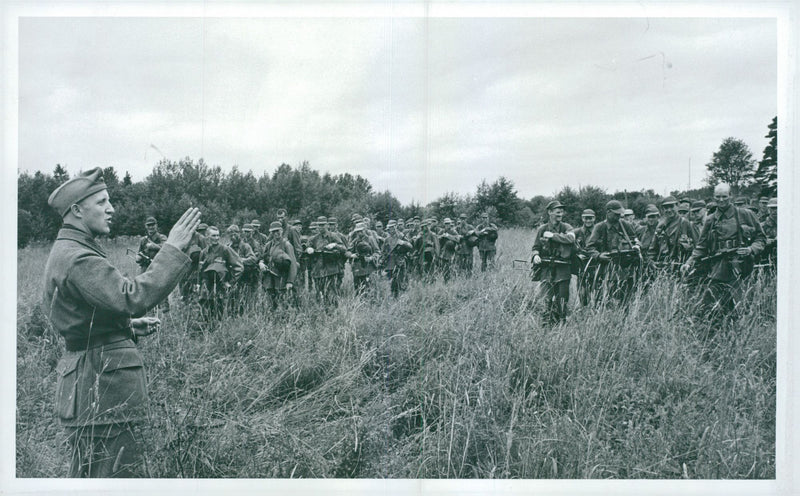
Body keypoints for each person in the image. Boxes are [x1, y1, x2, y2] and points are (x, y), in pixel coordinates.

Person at [43, 167, 201, 477]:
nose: (111, 209)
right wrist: (172, 249)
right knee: (115, 478)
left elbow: (78, 316)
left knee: (90, 476)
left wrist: (125, 328)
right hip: (104, 386)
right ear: (76, 210)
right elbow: (131, 297)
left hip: (88, 382)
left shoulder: (68, 250)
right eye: (101, 202)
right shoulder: (78, 257)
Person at [681, 183, 765, 325]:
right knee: (711, 303)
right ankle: (715, 331)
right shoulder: (710, 220)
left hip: (742, 266)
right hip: (718, 267)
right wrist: (689, 261)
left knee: (741, 305)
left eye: (724, 197)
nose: (721, 200)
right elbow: (701, 246)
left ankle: (739, 331)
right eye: (718, 197)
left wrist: (751, 249)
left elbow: (761, 238)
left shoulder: (746, 215)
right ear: (714, 198)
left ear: (730, 196)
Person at [586, 200, 642, 304]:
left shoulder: (626, 225)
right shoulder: (599, 227)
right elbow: (589, 248)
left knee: (627, 299)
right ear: (608, 212)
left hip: (626, 269)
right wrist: (598, 256)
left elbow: (635, 240)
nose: (619, 216)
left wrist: (636, 246)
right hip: (606, 269)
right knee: (607, 299)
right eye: (616, 214)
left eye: (619, 214)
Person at [531, 201, 577, 324]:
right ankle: (548, 322)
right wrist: (536, 255)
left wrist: (553, 236)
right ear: (550, 212)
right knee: (547, 299)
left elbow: (571, 239)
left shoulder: (567, 227)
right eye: (557, 211)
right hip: (547, 269)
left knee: (562, 299)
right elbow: (536, 247)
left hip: (563, 270)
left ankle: (562, 322)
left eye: (561, 211)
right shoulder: (542, 229)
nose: (560, 214)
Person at [198, 226, 243, 320]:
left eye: (218, 235)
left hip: (220, 286)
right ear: (207, 237)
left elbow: (239, 267)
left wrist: (230, 282)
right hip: (207, 286)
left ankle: (218, 329)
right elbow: (200, 270)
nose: (216, 238)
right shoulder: (203, 252)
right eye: (213, 236)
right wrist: (199, 284)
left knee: (219, 310)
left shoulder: (225, 250)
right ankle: (207, 328)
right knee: (205, 310)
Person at [307, 216, 348, 303]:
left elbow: (344, 248)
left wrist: (334, 245)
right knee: (320, 294)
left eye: (323, 225)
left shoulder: (333, 236)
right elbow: (308, 247)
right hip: (318, 270)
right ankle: (323, 312)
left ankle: (334, 313)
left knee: (332, 294)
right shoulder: (315, 238)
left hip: (331, 270)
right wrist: (309, 249)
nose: (321, 227)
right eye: (319, 225)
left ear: (327, 225)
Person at [652, 196, 697, 273]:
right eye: (666, 208)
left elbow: (697, 247)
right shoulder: (660, 226)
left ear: (677, 206)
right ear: (662, 209)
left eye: (671, 206)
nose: (669, 210)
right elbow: (653, 248)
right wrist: (652, 262)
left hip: (682, 267)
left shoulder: (686, 224)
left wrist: (689, 263)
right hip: (664, 268)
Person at [259, 221, 299, 309]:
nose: (276, 233)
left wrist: (290, 281)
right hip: (269, 278)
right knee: (270, 302)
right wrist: (261, 263)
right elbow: (263, 257)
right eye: (273, 231)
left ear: (281, 230)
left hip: (282, 278)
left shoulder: (286, 245)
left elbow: (293, 265)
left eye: (278, 231)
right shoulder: (268, 245)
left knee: (283, 302)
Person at [135, 217, 170, 311]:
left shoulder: (162, 237)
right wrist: (138, 258)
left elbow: (165, 248)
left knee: (160, 288)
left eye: (152, 225)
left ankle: (164, 310)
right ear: (146, 227)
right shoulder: (143, 240)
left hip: (158, 266)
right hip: (145, 266)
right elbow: (140, 252)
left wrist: (153, 246)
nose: (151, 227)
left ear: (156, 225)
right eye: (148, 225)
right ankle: (146, 308)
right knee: (141, 286)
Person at [227, 224, 258, 312]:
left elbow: (253, 259)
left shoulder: (245, 246)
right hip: (232, 277)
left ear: (239, 233)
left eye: (235, 233)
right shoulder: (227, 247)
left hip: (245, 277)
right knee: (232, 298)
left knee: (244, 299)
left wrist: (240, 261)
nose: (233, 236)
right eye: (231, 234)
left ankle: (244, 314)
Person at [382, 220, 413, 297]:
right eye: (389, 229)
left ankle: (400, 296)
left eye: (391, 228)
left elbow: (410, 246)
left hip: (400, 261)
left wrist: (403, 243)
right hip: (390, 262)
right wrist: (382, 261)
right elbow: (383, 251)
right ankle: (393, 296)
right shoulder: (387, 239)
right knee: (391, 281)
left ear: (395, 227)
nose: (390, 230)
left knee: (400, 280)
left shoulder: (401, 236)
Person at [572, 209, 596, 306]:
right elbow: (569, 248)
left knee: (597, 291)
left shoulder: (598, 231)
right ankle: (583, 310)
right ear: (582, 218)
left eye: (590, 218)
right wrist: (577, 255)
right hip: (581, 266)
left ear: (594, 218)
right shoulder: (576, 232)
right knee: (582, 292)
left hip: (596, 265)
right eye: (586, 218)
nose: (588, 221)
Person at [348, 222, 380, 293]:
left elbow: (377, 252)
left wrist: (371, 258)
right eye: (357, 232)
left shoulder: (370, 239)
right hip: (358, 268)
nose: (359, 233)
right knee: (358, 289)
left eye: (361, 231)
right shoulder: (355, 241)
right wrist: (351, 255)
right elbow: (348, 251)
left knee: (370, 289)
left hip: (369, 267)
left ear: (364, 230)